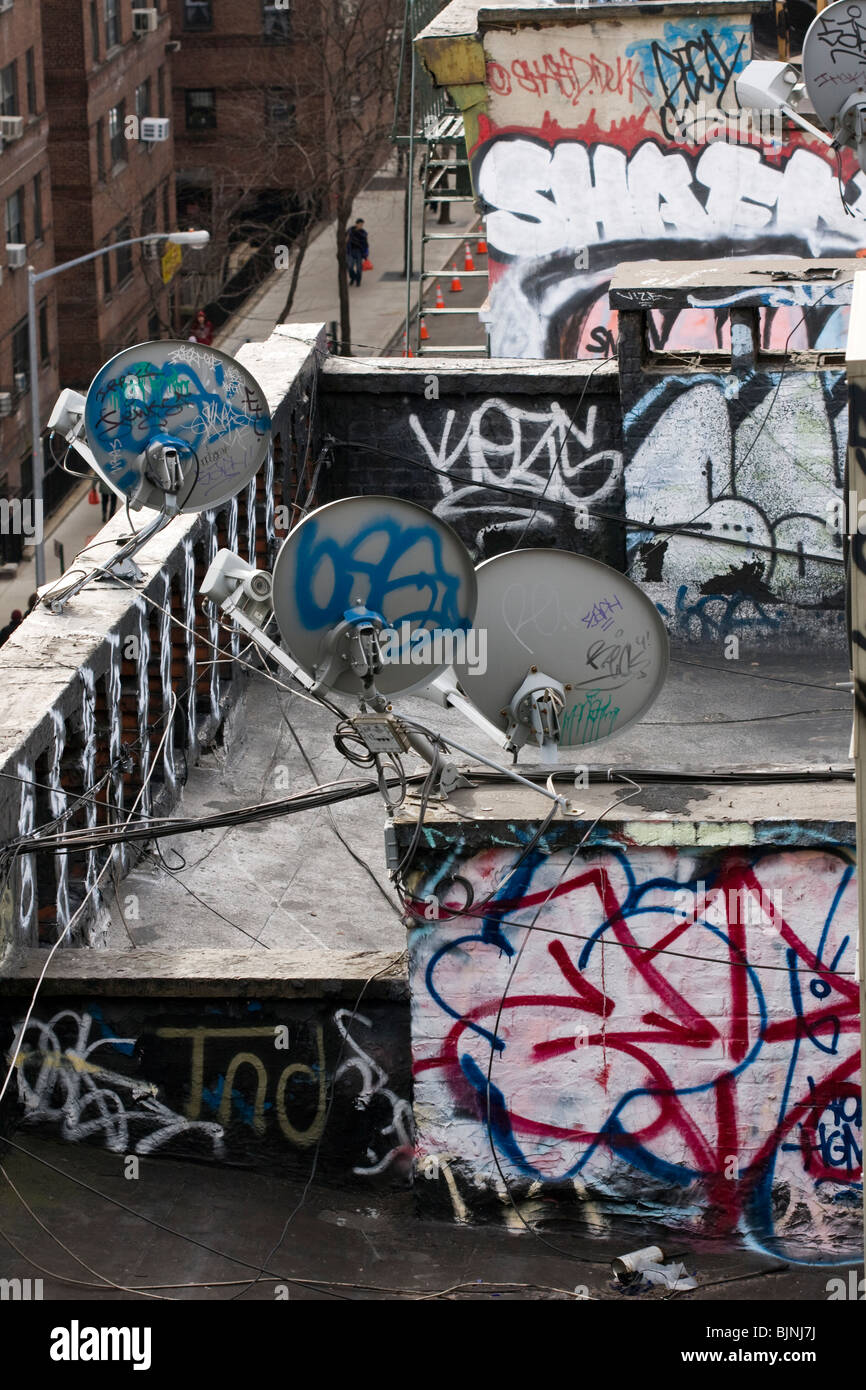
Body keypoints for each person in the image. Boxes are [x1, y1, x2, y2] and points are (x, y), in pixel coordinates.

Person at [346, 219, 369, 287]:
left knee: (359, 268)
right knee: (350, 267)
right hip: (351, 251)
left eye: (362, 225)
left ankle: (358, 281)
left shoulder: (363, 233)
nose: (361, 226)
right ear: (356, 224)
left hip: (359, 252)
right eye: (360, 224)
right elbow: (345, 240)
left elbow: (366, 244)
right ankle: (353, 278)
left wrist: (366, 254)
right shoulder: (350, 231)